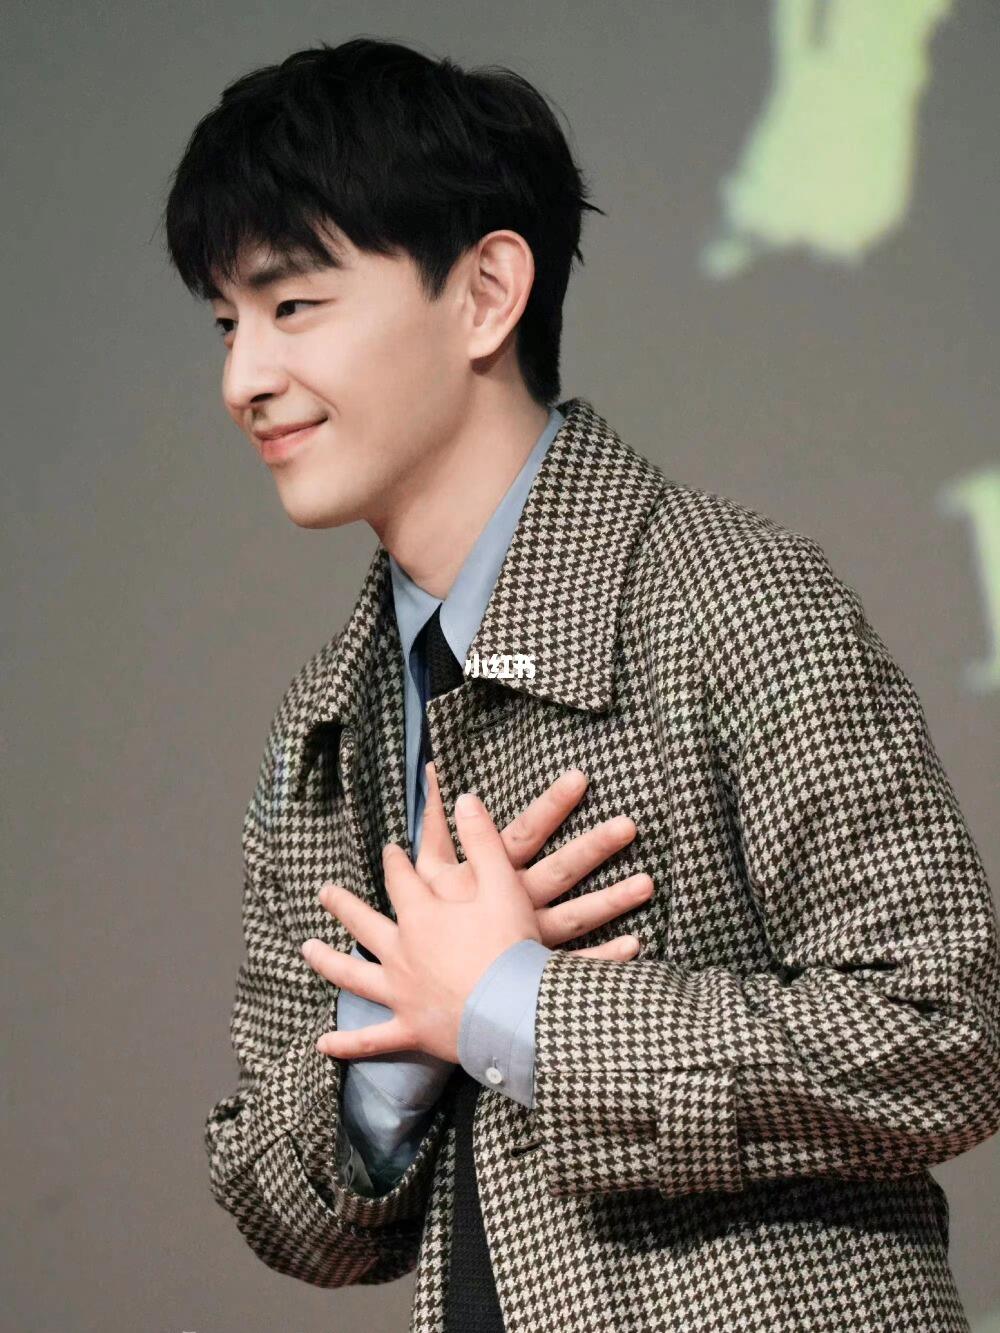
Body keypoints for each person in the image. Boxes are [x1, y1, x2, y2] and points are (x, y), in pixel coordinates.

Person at [162, 35, 1000, 1332]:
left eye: (294, 306)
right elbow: (283, 1210)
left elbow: (945, 1028)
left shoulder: (730, 598)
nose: (242, 380)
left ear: (487, 293)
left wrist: (515, 1009)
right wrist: (396, 1052)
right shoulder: (326, 725)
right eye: (227, 323)